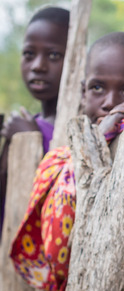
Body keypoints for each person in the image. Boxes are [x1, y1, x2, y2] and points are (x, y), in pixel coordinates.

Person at [9, 32, 124, 291]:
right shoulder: (59, 161)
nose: (110, 102)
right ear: (83, 92)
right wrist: (97, 144)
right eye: (98, 88)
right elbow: (56, 252)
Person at [0, 6, 69, 238]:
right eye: (29, 54)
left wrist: (32, 142)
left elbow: (65, 195)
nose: (38, 65)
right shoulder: (26, 123)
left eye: (53, 55)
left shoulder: (78, 128)